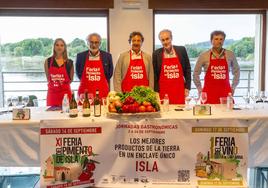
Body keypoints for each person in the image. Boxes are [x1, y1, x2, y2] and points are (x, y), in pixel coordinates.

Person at [193, 30, 240, 104]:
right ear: (211, 40)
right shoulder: (203, 56)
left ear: (224, 40)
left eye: (221, 39)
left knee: (228, 114)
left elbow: (236, 72)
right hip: (208, 93)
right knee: (208, 115)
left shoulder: (230, 54)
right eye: (216, 39)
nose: (219, 41)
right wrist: (199, 89)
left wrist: (233, 87)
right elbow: (196, 73)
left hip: (225, 93)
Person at [153, 29, 191, 104]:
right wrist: (156, 91)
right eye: (163, 40)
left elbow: (187, 69)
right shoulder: (156, 54)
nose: (165, 42)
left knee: (180, 113)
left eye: (167, 39)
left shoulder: (181, 50)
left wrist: (187, 87)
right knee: (165, 113)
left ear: (171, 38)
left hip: (179, 90)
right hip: (163, 91)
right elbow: (155, 75)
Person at [76, 33, 113, 99]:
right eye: (91, 42)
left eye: (96, 42)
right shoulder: (80, 56)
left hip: (102, 93)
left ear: (100, 43)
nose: (94, 45)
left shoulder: (107, 56)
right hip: (85, 93)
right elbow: (78, 73)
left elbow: (109, 74)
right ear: (87, 43)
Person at [44, 38, 73, 106]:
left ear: (64, 47)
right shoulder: (47, 61)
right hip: (52, 94)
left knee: (66, 115)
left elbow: (71, 79)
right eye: (57, 45)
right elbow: (48, 78)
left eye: (62, 45)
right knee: (51, 115)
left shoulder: (69, 62)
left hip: (66, 94)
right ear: (54, 47)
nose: (59, 47)